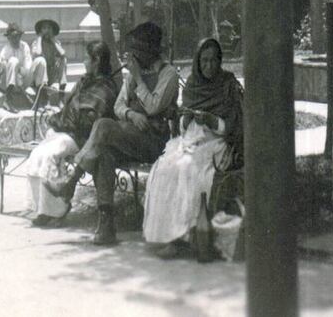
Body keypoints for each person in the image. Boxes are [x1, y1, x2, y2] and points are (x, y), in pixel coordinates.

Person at [47, 21, 179, 245]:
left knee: (104, 126)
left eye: (137, 50)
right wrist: (130, 114)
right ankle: (106, 225)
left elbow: (155, 106)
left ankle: (70, 183)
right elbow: (118, 106)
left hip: (155, 142)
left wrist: (137, 80)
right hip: (131, 136)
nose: (133, 56)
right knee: (104, 154)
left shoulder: (168, 74)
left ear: (150, 50)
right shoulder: (133, 75)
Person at [143, 37, 244, 259]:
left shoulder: (228, 85)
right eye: (204, 61)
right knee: (164, 169)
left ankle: (189, 233)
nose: (208, 66)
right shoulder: (192, 85)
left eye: (213, 61)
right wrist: (186, 119)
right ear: (198, 62)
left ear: (220, 61)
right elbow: (183, 123)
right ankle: (169, 236)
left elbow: (234, 127)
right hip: (190, 140)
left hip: (217, 144)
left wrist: (212, 121)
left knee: (188, 169)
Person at [26, 41, 118, 226]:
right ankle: (43, 209)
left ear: (97, 60)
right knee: (37, 154)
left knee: (52, 153)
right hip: (68, 132)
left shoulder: (105, 87)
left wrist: (63, 122)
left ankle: (59, 209)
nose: (84, 62)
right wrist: (59, 121)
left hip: (84, 139)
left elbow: (88, 121)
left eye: (86, 58)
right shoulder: (84, 82)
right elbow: (71, 108)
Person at [0, 23, 35, 111]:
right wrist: (14, 71)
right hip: (7, 83)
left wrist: (18, 72)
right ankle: (8, 99)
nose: (15, 39)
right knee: (13, 61)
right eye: (12, 37)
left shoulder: (24, 46)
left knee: (37, 63)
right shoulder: (6, 49)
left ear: (20, 36)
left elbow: (27, 68)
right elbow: (0, 69)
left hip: (22, 80)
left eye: (17, 36)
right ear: (8, 38)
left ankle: (40, 96)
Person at [30, 18, 68, 106]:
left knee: (63, 60)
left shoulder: (55, 42)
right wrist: (39, 38)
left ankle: (61, 97)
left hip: (51, 73)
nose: (47, 31)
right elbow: (38, 53)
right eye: (44, 28)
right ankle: (45, 99)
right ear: (40, 31)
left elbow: (63, 53)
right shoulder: (36, 43)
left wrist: (53, 41)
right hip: (38, 77)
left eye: (49, 28)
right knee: (42, 60)